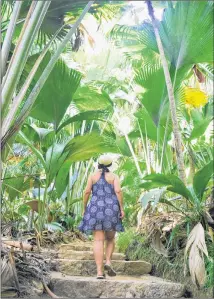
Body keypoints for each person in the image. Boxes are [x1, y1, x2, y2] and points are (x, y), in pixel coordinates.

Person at [78, 154, 125, 279]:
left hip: (95, 208)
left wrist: (84, 207)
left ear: (98, 164)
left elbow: (87, 191)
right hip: (112, 208)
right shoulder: (114, 176)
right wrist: (121, 208)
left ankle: (99, 272)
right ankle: (108, 262)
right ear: (110, 165)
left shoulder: (92, 176)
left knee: (98, 240)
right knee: (110, 238)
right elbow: (118, 191)